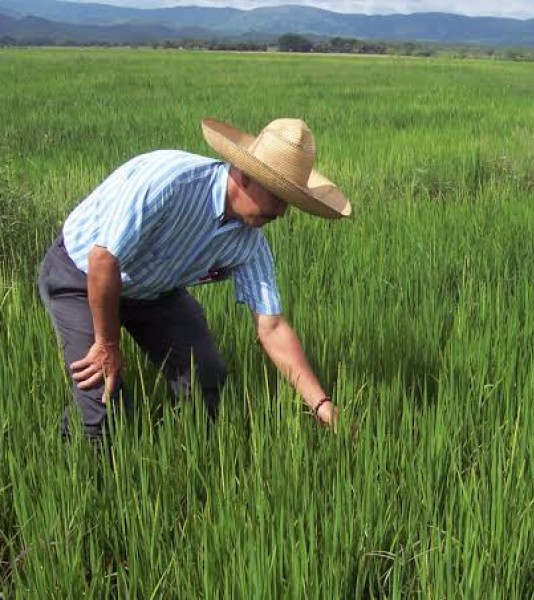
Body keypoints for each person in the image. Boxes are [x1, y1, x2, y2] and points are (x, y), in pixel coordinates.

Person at [38, 116, 352, 440]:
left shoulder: (249, 243)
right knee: (104, 401)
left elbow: (272, 326)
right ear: (244, 176)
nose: (282, 212)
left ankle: (187, 458)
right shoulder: (171, 182)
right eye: (277, 195)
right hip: (82, 275)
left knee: (205, 377)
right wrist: (107, 344)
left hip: (154, 289)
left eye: (289, 201)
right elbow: (103, 259)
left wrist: (321, 405)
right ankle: (79, 466)